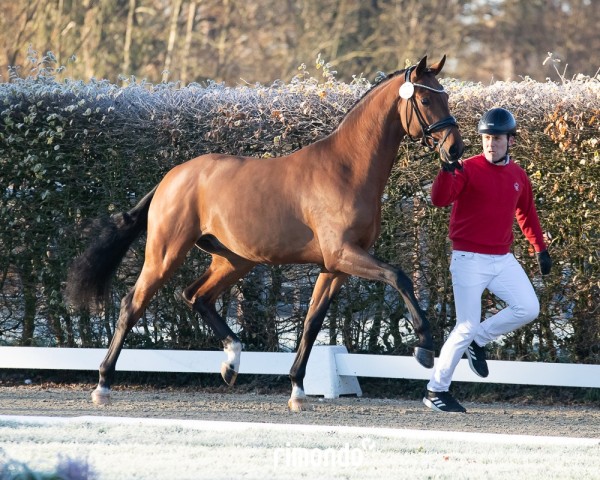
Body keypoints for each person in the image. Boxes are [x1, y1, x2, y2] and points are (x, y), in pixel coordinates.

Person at [423, 107, 552, 413]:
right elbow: (439, 199)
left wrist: (540, 248)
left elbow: (527, 214)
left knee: (528, 307)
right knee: (465, 325)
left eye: (497, 138)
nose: (490, 144)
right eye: (486, 138)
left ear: (511, 141)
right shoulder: (466, 168)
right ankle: (435, 391)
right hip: (469, 258)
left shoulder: (518, 175)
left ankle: (480, 339)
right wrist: (446, 168)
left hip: (502, 259)